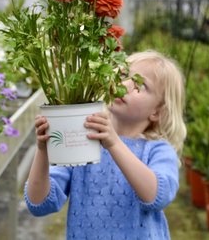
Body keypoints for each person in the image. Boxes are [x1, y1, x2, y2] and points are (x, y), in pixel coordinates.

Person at [24, 50, 187, 239]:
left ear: (157, 112)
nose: (124, 85)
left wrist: (113, 143)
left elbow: (156, 196)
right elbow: (39, 203)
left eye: (140, 86)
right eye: (123, 75)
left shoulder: (158, 150)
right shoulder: (83, 139)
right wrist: (43, 150)